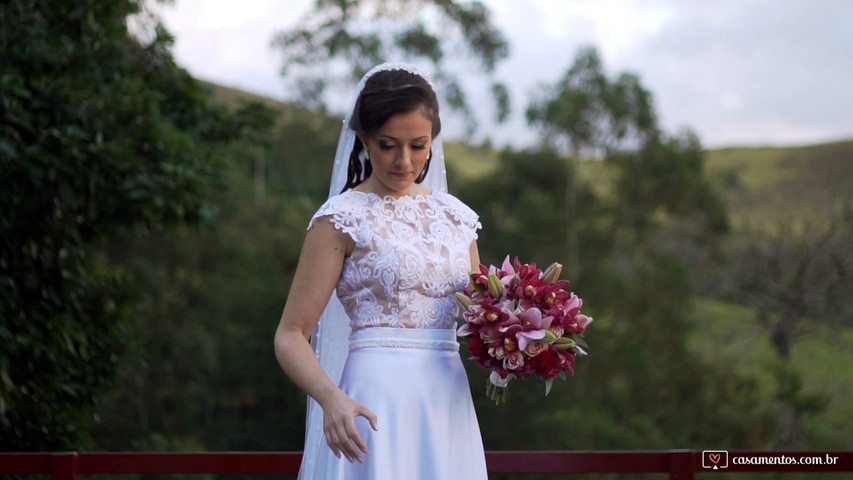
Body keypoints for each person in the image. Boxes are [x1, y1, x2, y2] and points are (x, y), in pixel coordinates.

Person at [273, 63, 489, 480]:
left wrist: (520, 340)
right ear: (364, 139)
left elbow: (481, 320)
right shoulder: (339, 219)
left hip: (446, 405)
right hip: (371, 402)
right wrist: (329, 397)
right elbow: (290, 333)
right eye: (388, 145)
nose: (404, 161)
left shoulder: (457, 218)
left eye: (418, 145)